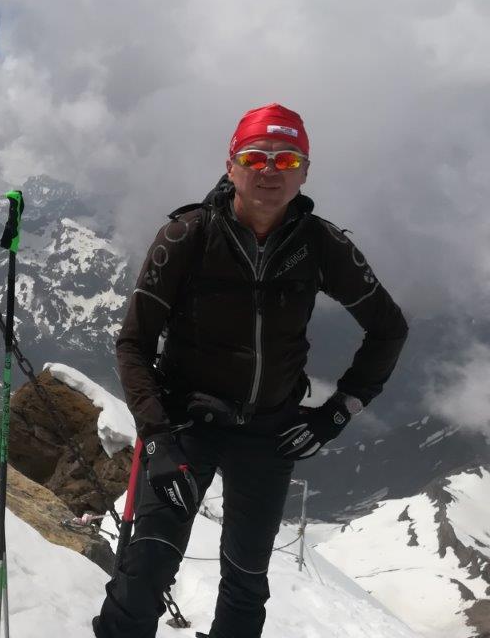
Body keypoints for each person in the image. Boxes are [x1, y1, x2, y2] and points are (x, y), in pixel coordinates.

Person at [93, 103, 409, 638]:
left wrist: (337, 413)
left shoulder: (320, 244)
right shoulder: (187, 235)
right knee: (144, 569)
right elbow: (133, 344)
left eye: (286, 159)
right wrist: (158, 436)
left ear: (304, 172)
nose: (269, 170)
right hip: (185, 425)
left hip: (269, 431)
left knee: (245, 581)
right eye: (255, 157)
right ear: (231, 165)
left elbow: (389, 328)